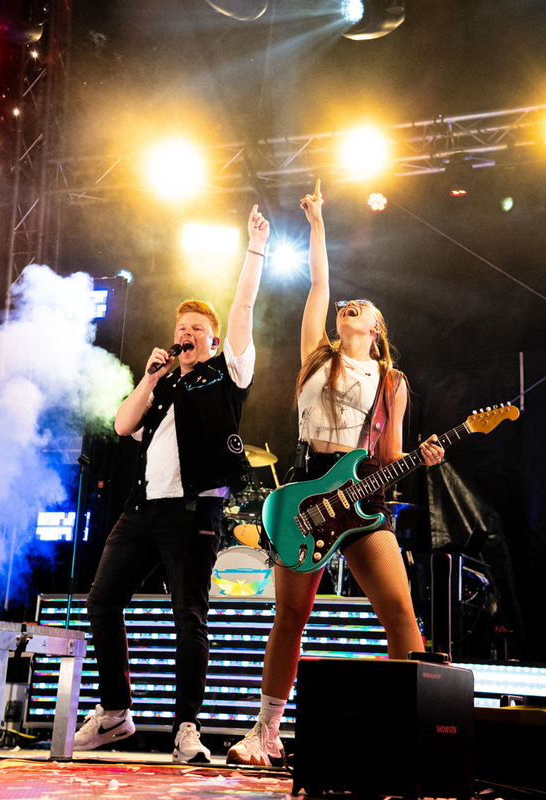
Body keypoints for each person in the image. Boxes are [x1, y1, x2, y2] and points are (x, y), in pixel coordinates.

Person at [226, 179, 444, 767]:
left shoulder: (391, 382)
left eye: (362, 306)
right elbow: (320, 283)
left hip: (362, 500)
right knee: (290, 617)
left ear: (376, 329)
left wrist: (420, 458)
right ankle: (266, 734)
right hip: (306, 495)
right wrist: (318, 222)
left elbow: (389, 458)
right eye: (347, 304)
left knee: (399, 611)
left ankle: (414, 735)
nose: (350, 304)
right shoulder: (316, 357)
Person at [74, 205, 269, 764]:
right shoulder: (162, 389)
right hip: (141, 511)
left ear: (213, 341)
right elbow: (121, 425)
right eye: (181, 328)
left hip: (192, 512)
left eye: (196, 330)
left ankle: (187, 729)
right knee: (102, 602)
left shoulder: (227, 375)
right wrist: (150, 377)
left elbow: (243, 308)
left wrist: (254, 248)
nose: (186, 335)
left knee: (189, 617)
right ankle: (116, 712)